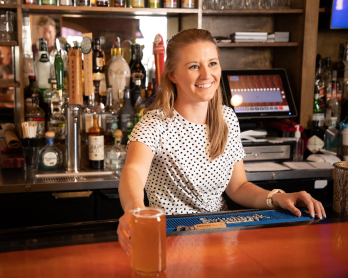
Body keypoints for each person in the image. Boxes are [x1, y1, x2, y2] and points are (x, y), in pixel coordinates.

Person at [117, 29, 326, 256]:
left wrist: (278, 198)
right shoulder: (155, 123)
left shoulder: (227, 118)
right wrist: (135, 210)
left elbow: (238, 187)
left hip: (220, 238)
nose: (207, 75)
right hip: (172, 238)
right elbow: (133, 172)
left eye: (213, 63)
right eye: (194, 66)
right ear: (173, 75)